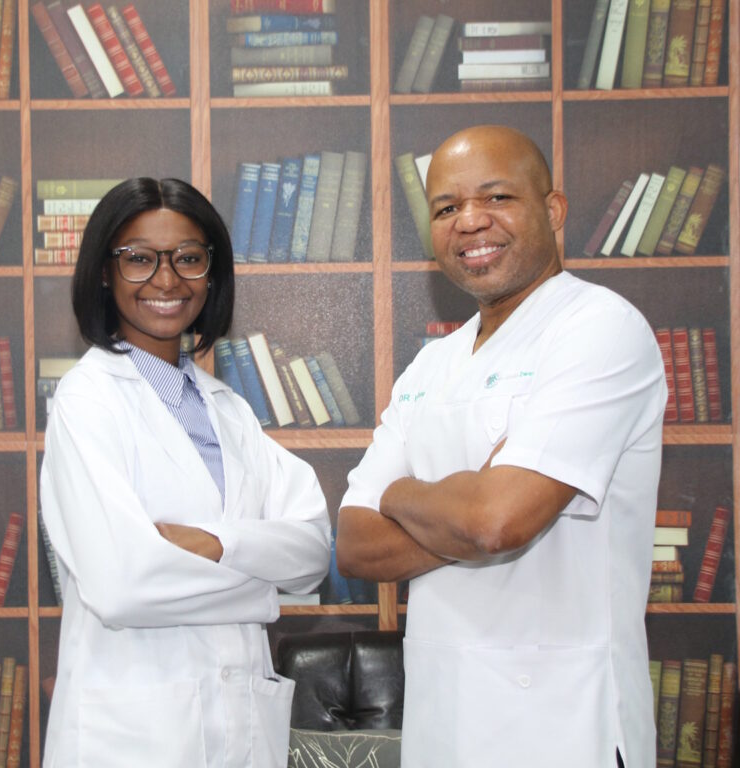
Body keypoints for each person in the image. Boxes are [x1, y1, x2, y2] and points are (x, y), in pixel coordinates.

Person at [336, 126, 667, 767]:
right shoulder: (430, 365)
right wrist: (468, 498)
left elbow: (496, 521)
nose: (470, 222)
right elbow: (353, 543)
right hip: (443, 723)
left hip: (568, 724)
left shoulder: (599, 329)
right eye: (447, 208)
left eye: (496, 197)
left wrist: (401, 494)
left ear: (552, 211)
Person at [40, 177, 331, 768]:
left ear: (211, 272)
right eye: (139, 259)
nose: (167, 280)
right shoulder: (86, 401)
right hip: (135, 736)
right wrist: (261, 587)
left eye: (189, 258)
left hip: (241, 729)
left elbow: (311, 554)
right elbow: (123, 585)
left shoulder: (231, 409)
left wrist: (214, 543)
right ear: (104, 271)